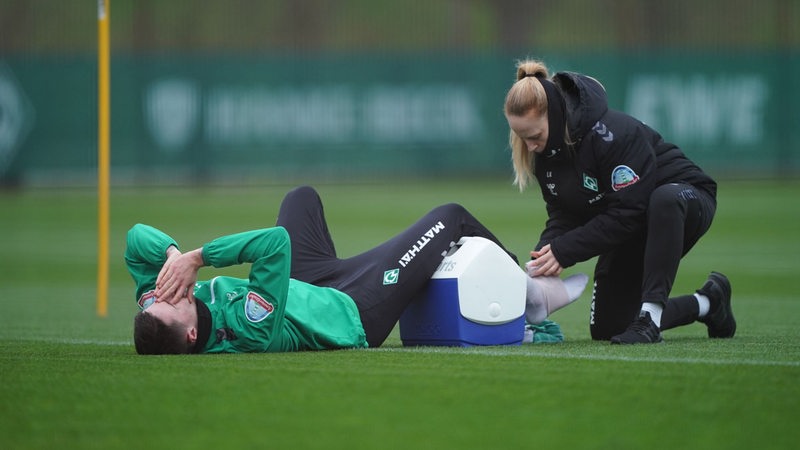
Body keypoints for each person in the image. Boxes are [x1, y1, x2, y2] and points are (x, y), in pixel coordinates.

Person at [127, 185, 588, 354]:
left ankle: (528, 294)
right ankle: (531, 295)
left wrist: (169, 255)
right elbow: (274, 244)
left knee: (300, 198)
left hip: (304, 287)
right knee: (450, 215)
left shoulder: (157, 305)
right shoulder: (247, 329)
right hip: (353, 311)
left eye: (163, 297)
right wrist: (196, 258)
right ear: (191, 336)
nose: (175, 295)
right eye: (177, 306)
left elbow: (134, 241)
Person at [502, 59, 736, 344]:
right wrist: (541, 262)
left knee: (663, 200)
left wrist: (565, 251)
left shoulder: (613, 136)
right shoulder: (546, 155)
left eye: (535, 136)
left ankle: (650, 315)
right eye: (522, 138)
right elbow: (564, 214)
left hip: (685, 199)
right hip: (632, 220)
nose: (530, 146)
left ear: (556, 115)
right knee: (609, 327)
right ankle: (709, 303)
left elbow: (629, 212)